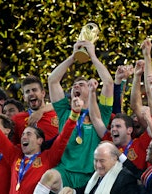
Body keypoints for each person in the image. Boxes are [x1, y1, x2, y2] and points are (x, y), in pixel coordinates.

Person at [0, 91, 82, 193]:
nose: (24, 137)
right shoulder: (14, 156)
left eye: (29, 134)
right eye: (23, 134)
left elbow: (63, 137)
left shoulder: (48, 157)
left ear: (40, 140)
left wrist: (74, 114)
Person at [48, 39, 114, 188]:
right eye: (73, 85)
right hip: (65, 171)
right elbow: (52, 80)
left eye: (81, 84)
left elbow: (108, 82)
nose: (76, 86)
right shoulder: (64, 110)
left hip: (92, 174)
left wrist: (92, 56)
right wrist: (73, 57)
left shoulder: (101, 111)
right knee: (48, 177)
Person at [88, 78, 151, 171]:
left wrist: (138, 76)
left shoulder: (141, 143)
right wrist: (92, 92)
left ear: (129, 130)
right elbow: (95, 119)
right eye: (112, 126)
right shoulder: (110, 140)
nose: (113, 129)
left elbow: (137, 106)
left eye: (118, 126)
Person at [56, 141, 139, 194]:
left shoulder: (126, 179)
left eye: (102, 161)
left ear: (114, 159)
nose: (98, 165)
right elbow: (86, 190)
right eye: (96, 160)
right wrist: (72, 191)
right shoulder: (97, 174)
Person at [11, 75, 59, 145]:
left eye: (34, 90)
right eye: (27, 92)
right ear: (24, 97)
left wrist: (41, 111)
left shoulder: (57, 113)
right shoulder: (17, 119)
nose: (31, 93)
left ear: (43, 93)